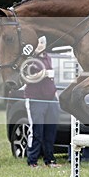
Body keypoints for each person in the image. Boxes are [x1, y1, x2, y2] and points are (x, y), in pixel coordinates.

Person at [22, 37, 61, 168]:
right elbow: (26, 77)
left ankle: (50, 160)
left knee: (50, 131)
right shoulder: (28, 59)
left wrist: (56, 95)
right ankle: (32, 161)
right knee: (36, 131)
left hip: (51, 99)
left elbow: (52, 78)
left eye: (42, 43)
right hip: (35, 98)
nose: (40, 45)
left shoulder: (48, 57)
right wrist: (42, 74)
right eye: (38, 42)